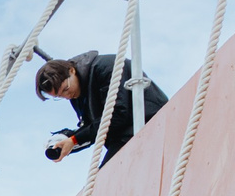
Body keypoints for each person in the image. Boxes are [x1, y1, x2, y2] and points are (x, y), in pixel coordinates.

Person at [38, 52, 167, 166]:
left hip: (149, 123)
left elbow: (118, 114)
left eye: (66, 89)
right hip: (124, 135)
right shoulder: (77, 94)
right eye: (60, 96)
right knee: (102, 182)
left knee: (106, 180)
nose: (67, 96)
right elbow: (93, 128)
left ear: (72, 70)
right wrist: (67, 140)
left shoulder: (105, 67)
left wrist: (74, 139)